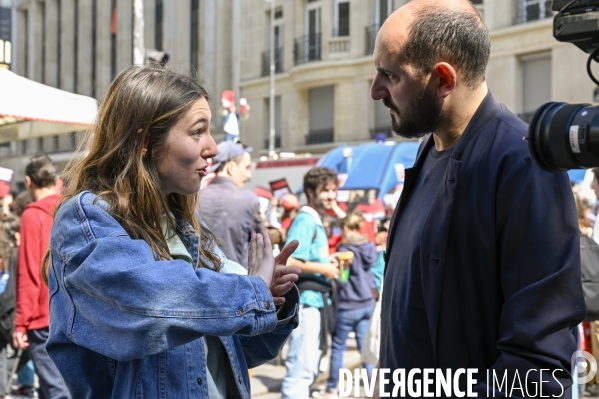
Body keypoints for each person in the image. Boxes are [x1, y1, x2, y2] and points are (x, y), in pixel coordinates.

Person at [42, 65, 302, 398]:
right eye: (197, 132)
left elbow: (232, 352)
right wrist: (251, 291)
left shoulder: (188, 227)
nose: (212, 147)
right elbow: (145, 303)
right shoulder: (87, 219)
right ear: (146, 141)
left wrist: (274, 301)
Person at [370, 0, 584, 397]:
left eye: (389, 75)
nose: (375, 90)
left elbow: (539, 366)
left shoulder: (523, 162)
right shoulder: (429, 150)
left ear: (443, 80)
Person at [281, 167, 340, 399]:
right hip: (306, 302)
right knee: (301, 370)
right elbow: (291, 259)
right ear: (310, 192)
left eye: (334, 190)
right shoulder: (305, 220)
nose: (332, 196)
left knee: (309, 366)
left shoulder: (314, 220)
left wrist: (327, 261)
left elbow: (309, 258)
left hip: (317, 302)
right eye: (326, 191)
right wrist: (324, 268)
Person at [12, 155, 68, 399]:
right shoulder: (69, 206)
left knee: (56, 390)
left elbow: (28, 273)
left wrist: (20, 322)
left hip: (42, 315)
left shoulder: (31, 215)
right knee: (55, 387)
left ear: (28, 181)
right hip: (70, 311)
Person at [322, 212, 377, 398]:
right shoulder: (368, 246)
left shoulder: (345, 248)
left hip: (348, 304)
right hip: (367, 302)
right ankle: (373, 388)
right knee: (366, 348)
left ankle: (332, 388)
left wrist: (338, 261)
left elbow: (343, 280)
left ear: (345, 228)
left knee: (338, 348)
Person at [198, 140, 265, 269]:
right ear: (231, 168)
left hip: (203, 282)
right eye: (246, 168)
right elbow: (262, 246)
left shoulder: (194, 199)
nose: (249, 175)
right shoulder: (248, 199)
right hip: (240, 282)